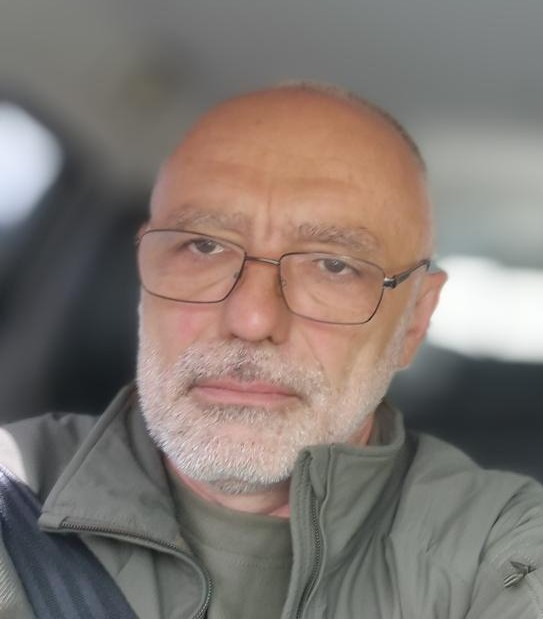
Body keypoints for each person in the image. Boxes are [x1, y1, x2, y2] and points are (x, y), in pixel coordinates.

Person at [1, 81, 543, 618]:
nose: (252, 319)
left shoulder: (504, 553)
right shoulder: (14, 496)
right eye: (204, 246)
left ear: (414, 322)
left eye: (333, 265)